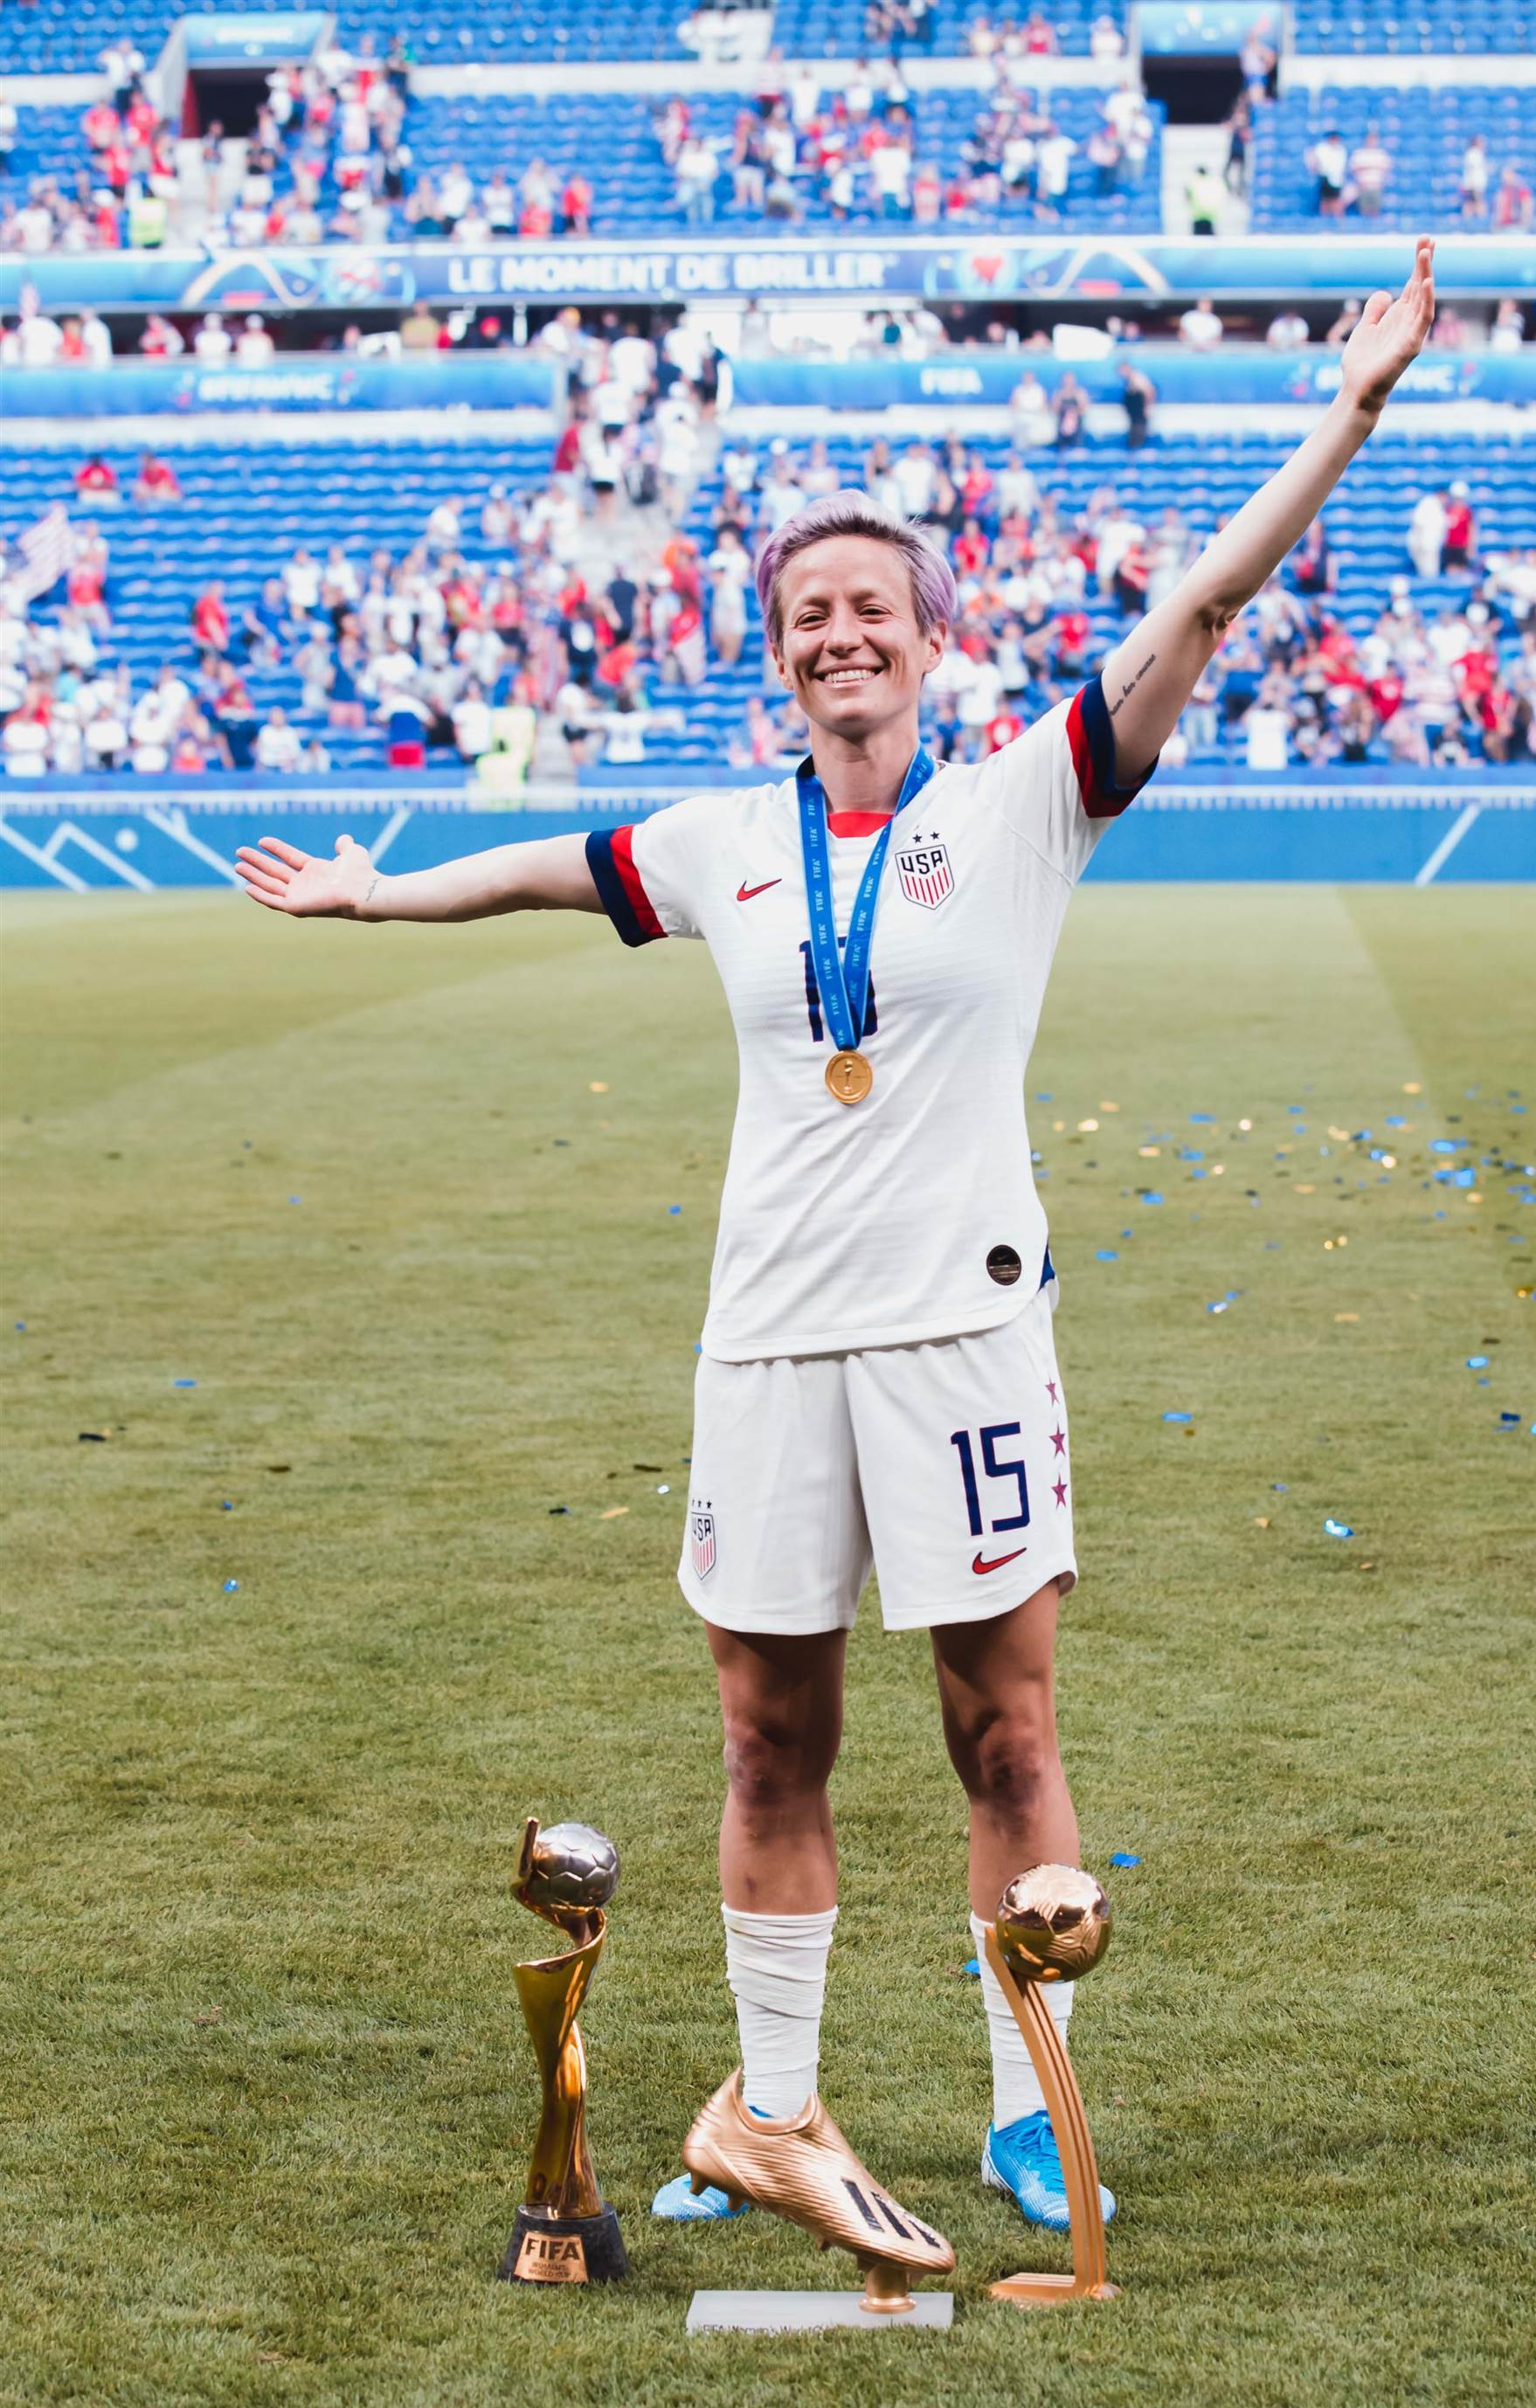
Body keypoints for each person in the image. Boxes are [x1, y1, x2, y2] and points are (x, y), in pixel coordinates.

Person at [232, 241, 1439, 2266]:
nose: (839, 636)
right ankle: (769, 2104)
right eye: (806, 617)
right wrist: (378, 899)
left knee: (1004, 1731)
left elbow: (1198, 603)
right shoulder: (719, 839)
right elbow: (555, 868)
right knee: (765, 1734)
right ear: (774, 656)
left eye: (871, 607)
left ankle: (1027, 2117)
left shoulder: (1027, 799)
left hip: (961, 1340)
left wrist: (1355, 409)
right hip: (769, 1344)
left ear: (928, 639)